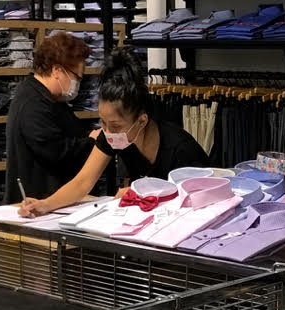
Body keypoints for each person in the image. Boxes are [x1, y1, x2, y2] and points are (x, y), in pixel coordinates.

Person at [18, 47, 208, 216]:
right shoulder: (113, 137)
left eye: (115, 126)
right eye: (103, 123)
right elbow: (83, 182)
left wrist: (144, 194)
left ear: (142, 120)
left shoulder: (180, 149)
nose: (107, 132)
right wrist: (45, 205)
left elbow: (198, 204)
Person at [4, 31, 98, 204]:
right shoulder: (33, 104)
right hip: (38, 202)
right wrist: (90, 141)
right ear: (56, 70)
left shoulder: (50, 99)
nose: (77, 83)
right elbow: (55, 151)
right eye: (76, 77)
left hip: (50, 202)